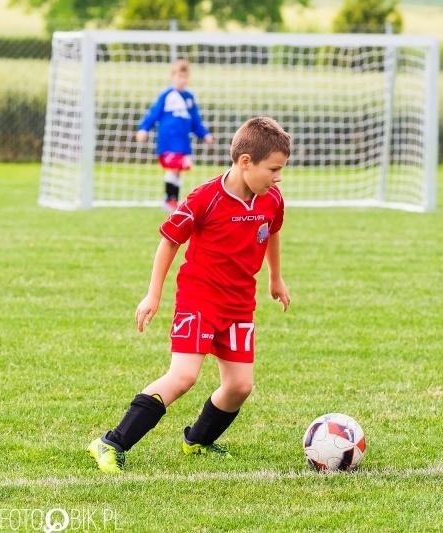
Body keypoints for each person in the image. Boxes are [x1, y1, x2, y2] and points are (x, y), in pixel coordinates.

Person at [88, 117, 292, 474]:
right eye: (273, 169)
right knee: (183, 376)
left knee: (240, 386)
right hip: (199, 299)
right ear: (245, 162)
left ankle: (196, 441)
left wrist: (275, 278)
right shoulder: (205, 198)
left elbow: (271, 232)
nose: (278, 177)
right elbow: (168, 242)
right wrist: (153, 295)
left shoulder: (271, 198)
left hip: (240, 303)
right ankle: (110, 442)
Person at [137, 59, 214, 212]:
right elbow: (154, 113)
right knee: (173, 168)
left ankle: (173, 200)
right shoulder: (167, 95)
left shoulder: (189, 98)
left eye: (185, 77)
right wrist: (144, 128)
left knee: (178, 170)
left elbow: (195, 121)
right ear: (172, 77)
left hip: (182, 142)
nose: (182, 80)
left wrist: (204, 134)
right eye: (179, 76)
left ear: (188, 78)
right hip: (168, 141)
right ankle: (169, 200)